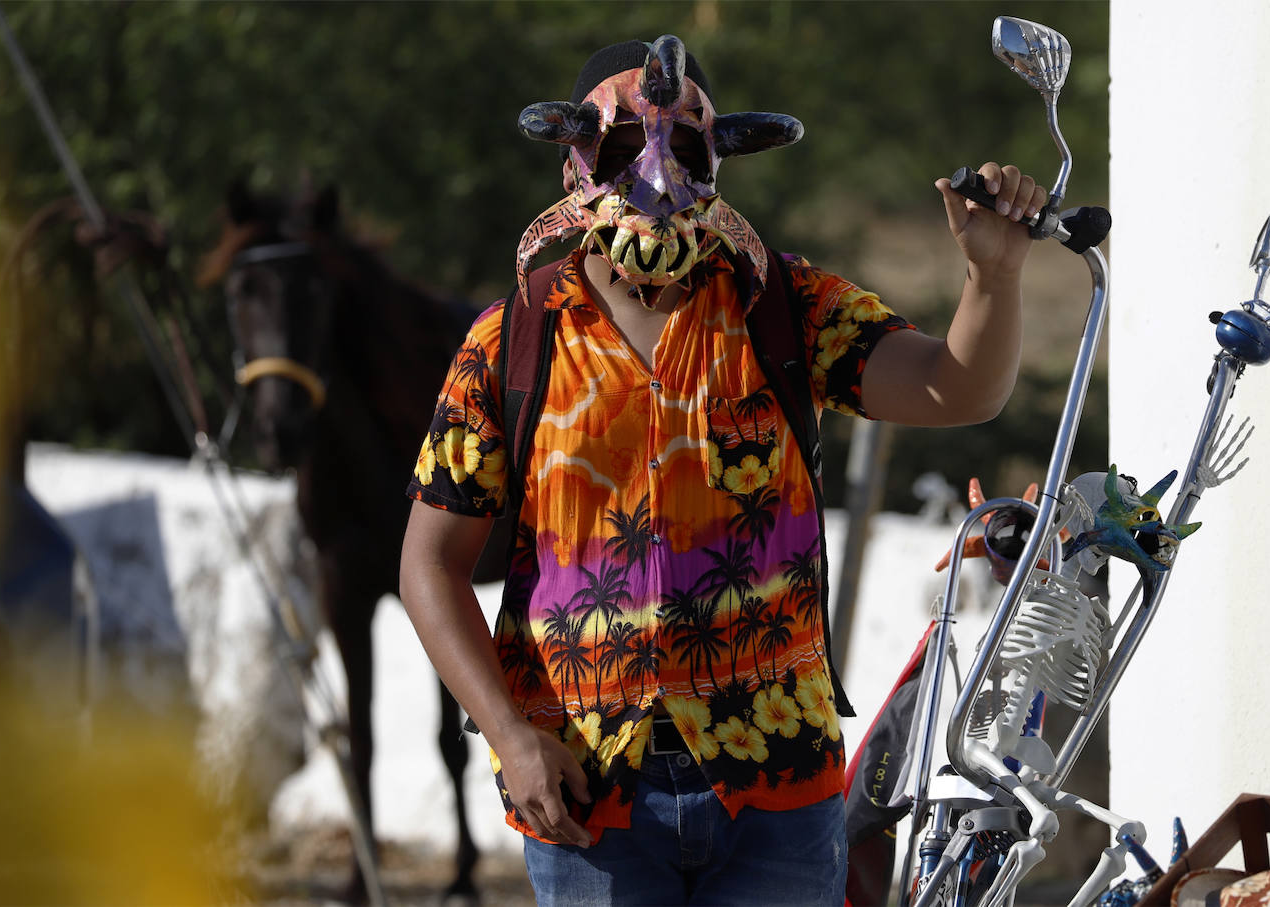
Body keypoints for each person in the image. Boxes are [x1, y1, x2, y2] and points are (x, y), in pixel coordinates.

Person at [399, 34, 1047, 906]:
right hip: (588, 791)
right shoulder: (513, 339)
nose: (655, 174)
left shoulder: (783, 305)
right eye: (624, 145)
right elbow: (428, 564)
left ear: (721, 158)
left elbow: (958, 387)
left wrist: (992, 277)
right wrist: (512, 738)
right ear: (573, 159)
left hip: (777, 785)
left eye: (686, 145)